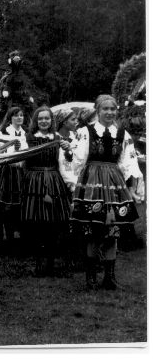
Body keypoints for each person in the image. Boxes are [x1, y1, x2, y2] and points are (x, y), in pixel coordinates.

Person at [71, 94, 142, 290]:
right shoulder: (85, 132)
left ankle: (109, 278)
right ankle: (91, 277)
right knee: (92, 230)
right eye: (105, 109)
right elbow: (78, 160)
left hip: (114, 183)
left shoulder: (123, 134)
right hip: (92, 183)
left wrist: (132, 186)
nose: (109, 112)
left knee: (113, 230)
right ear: (98, 110)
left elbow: (128, 161)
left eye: (113, 109)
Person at [20, 106, 72, 277]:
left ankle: (50, 263)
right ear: (36, 121)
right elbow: (19, 160)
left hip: (53, 181)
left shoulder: (57, 138)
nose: (44, 121)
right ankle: (39, 263)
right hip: (34, 182)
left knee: (53, 223)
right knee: (36, 223)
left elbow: (66, 161)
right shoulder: (28, 138)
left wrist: (68, 149)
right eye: (40, 118)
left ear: (51, 120)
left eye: (47, 118)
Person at [0, 107, 27, 246]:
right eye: (16, 115)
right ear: (10, 118)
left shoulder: (25, 133)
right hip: (6, 172)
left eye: (21, 115)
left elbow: (27, 151)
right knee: (3, 205)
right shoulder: (4, 133)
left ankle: (17, 236)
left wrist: (20, 151)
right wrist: (12, 148)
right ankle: (3, 236)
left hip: (20, 171)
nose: (19, 118)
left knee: (19, 205)